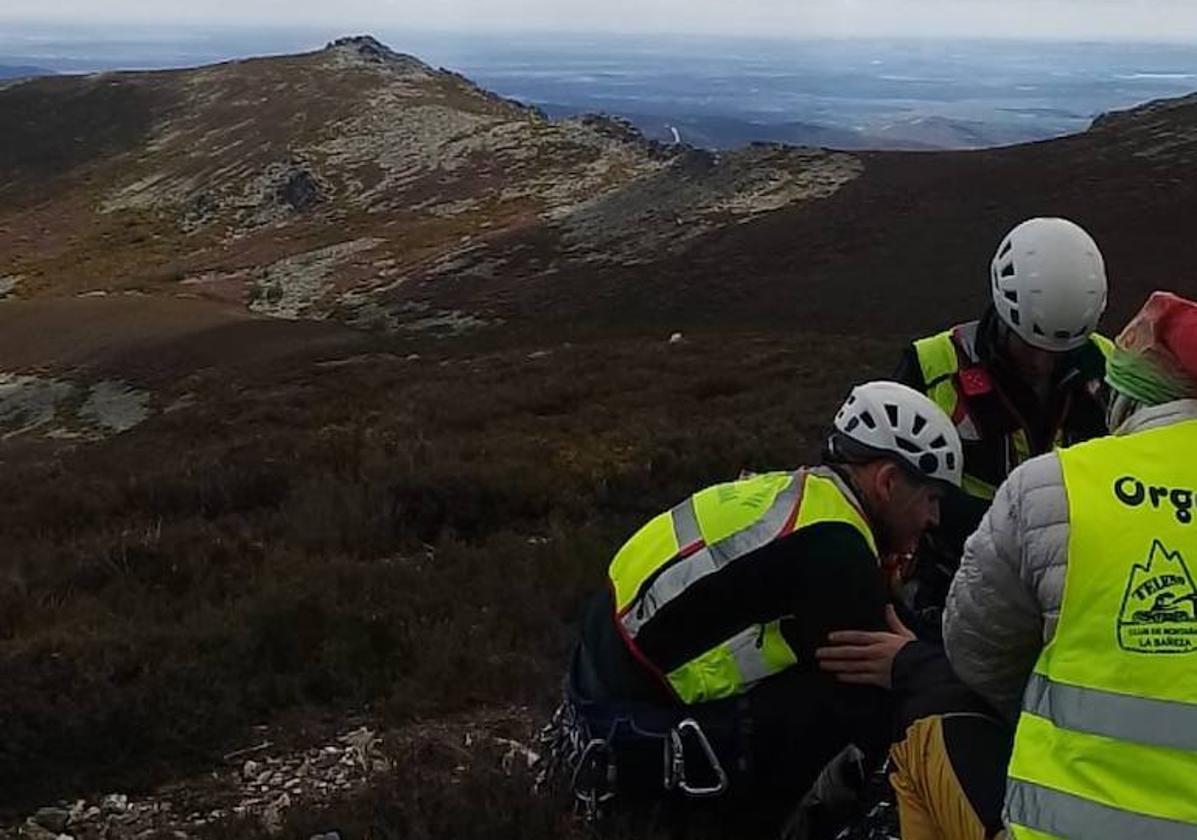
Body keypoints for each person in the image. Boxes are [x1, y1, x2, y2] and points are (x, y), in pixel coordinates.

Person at [543, 382, 962, 836]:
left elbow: (883, 614)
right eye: (931, 499)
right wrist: (932, 669)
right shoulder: (838, 550)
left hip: (597, 686)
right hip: (637, 726)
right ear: (887, 482)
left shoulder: (805, 497)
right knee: (863, 697)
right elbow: (882, 683)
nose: (933, 519)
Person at [874, 290, 1197, 839]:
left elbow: (978, 653)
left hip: (1062, 825)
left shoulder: (1053, 484)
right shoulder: (943, 364)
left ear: (1129, 391)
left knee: (922, 740)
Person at [894, 217, 1113, 625]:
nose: (1043, 362)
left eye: (1063, 350)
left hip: (1076, 583)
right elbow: (893, 484)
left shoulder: (1109, 369)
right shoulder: (933, 367)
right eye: (1030, 345)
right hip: (951, 579)